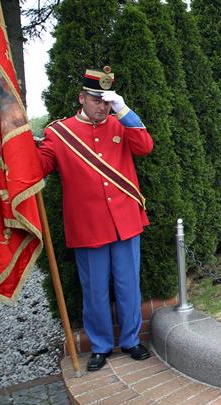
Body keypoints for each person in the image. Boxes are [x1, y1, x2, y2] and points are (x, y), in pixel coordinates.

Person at [37, 67, 153, 372]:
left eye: (106, 101)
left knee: (129, 285)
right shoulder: (60, 133)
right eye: (95, 100)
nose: (101, 107)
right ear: (82, 98)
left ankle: (130, 339)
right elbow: (40, 166)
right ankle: (100, 345)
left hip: (125, 221)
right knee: (95, 290)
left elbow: (145, 146)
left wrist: (123, 109)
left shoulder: (121, 124)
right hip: (88, 226)